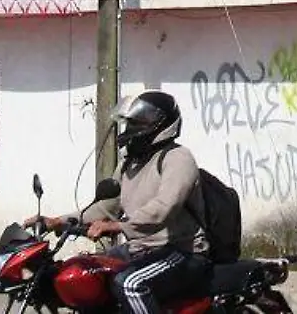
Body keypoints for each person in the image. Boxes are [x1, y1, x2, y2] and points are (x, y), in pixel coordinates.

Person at [29, 92, 208, 313]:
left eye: (137, 122)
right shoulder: (129, 163)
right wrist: (56, 221)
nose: (130, 129)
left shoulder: (177, 158)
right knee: (83, 273)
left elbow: (164, 207)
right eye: (129, 122)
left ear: (160, 124)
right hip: (139, 249)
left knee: (130, 284)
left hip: (183, 251)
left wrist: (117, 226)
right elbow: (106, 207)